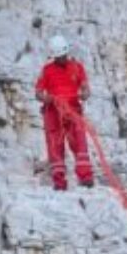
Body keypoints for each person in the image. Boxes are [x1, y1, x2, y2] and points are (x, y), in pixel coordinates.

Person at [35, 35, 94, 191]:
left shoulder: (77, 67)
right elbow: (38, 92)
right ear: (53, 56)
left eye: (63, 56)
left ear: (67, 53)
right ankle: (59, 181)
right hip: (53, 113)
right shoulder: (47, 70)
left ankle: (85, 177)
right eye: (58, 57)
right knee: (55, 145)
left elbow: (85, 87)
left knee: (80, 142)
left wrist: (85, 94)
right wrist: (46, 98)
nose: (61, 59)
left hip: (73, 110)